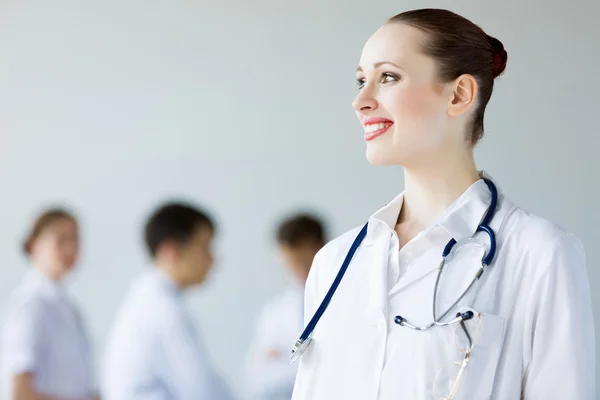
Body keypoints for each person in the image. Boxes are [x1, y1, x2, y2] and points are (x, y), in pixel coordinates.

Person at [291, 8, 595, 400]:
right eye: (361, 80)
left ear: (459, 94)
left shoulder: (538, 253)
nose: (360, 101)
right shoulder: (334, 264)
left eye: (387, 77)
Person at [102, 201, 234, 400]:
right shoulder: (162, 310)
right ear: (171, 250)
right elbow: (202, 391)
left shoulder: (148, 300)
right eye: (205, 247)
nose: (213, 259)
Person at [0, 208, 99, 400]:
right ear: (34, 245)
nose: (71, 249)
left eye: (76, 240)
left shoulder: (70, 310)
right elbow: (19, 393)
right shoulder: (30, 307)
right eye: (62, 239)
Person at [245, 213, 326, 400]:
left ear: (322, 249)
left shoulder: (349, 301)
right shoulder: (275, 313)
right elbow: (258, 378)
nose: (297, 271)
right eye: (291, 263)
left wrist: (284, 360)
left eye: (303, 262)